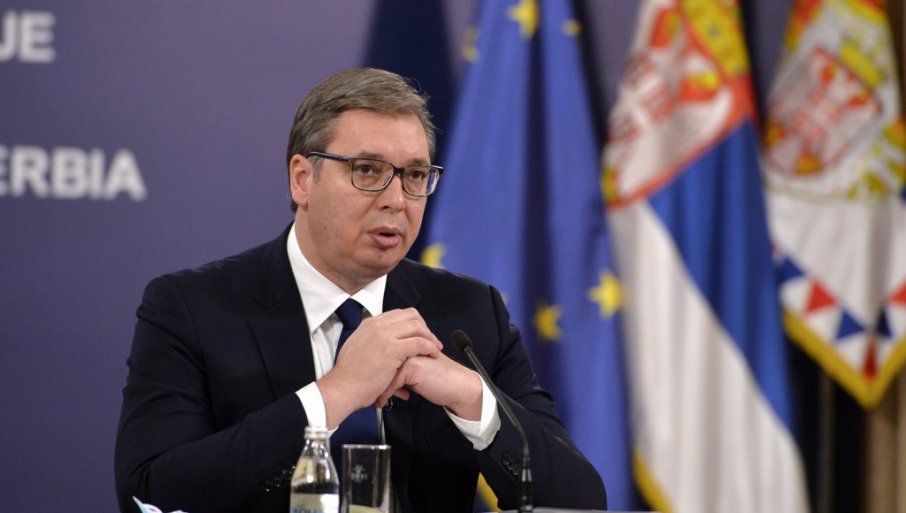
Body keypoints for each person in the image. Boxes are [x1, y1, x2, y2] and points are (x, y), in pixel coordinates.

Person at [114, 67, 606, 513]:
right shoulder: (192, 308)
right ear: (302, 180)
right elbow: (150, 492)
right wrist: (337, 393)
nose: (396, 200)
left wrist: (471, 397)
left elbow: (579, 500)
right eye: (367, 170)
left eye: (415, 175)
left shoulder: (469, 314)